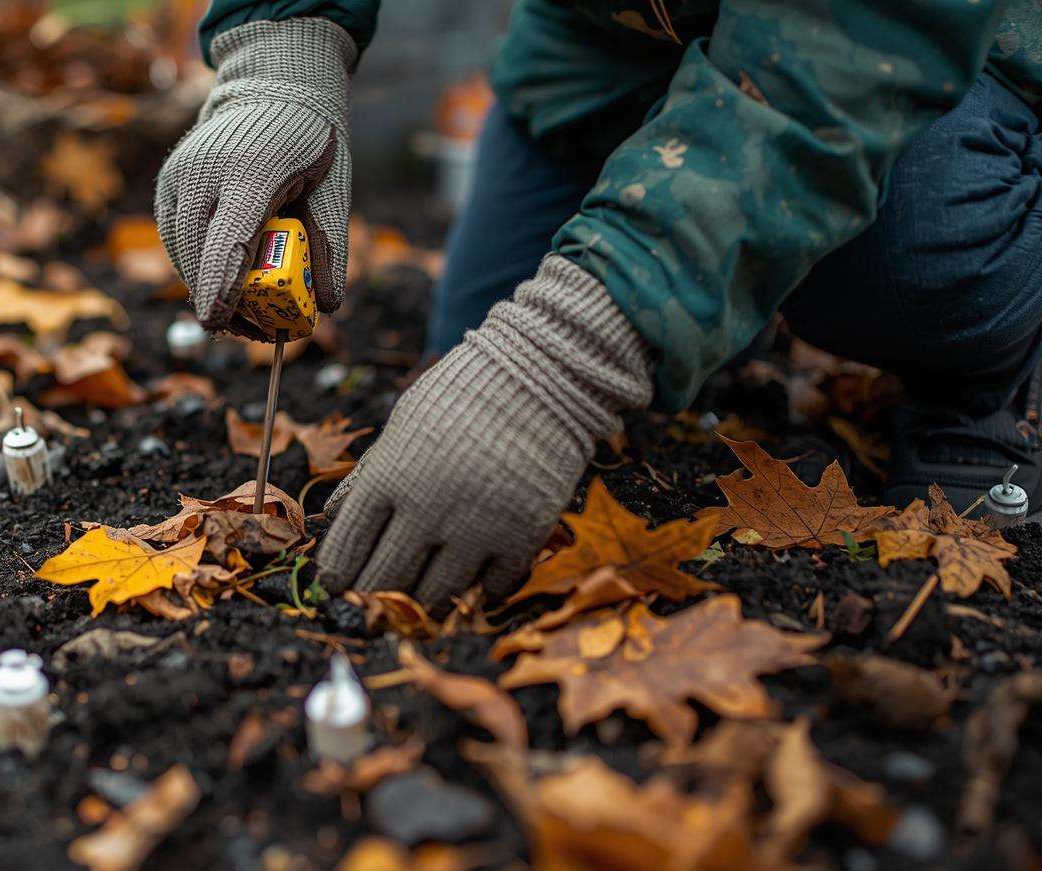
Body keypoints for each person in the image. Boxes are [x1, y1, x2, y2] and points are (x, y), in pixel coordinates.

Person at [155, 1, 1042, 608]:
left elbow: (849, 48)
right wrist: (280, 51)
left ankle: (988, 383)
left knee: (912, 270)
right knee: (473, 331)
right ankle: (719, 280)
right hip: (606, 42)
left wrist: (570, 352)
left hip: (903, 46)